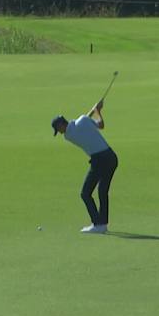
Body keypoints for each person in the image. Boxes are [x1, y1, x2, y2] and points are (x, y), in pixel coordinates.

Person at [51, 99, 119, 234]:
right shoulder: (80, 123)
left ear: (61, 126)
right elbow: (100, 125)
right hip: (111, 157)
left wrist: (93, 111)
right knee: (102, 191)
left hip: (99, 160)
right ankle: (102, 224)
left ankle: (98, 224)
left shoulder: (68, 136)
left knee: (85, 193)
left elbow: (81, 124)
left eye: (58, 130)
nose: (60, 133)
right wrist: (98, 111)